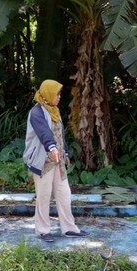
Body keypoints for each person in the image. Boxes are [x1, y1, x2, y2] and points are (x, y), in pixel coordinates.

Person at [22, 79, 89, 243]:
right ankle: (43, 231)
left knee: (65, 194)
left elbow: (59, 134)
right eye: (57, 93)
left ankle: (69, 228)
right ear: (48, 94)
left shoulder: (54, 111)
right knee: (43, 196)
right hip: (43, 161)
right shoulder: (37, 112)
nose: (59, 96)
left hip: (57, 161)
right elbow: (44, 133)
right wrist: (52, 148)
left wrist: (64, 152)